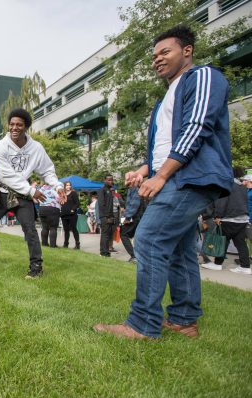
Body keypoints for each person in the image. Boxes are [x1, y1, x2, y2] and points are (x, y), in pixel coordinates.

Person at [94, 25, 233, 339]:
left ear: (187, 51)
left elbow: (196, 129)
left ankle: (142, 324)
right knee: (181, 250)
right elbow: (167, 144)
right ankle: (184, 321)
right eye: (154, 55)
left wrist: (162, 175)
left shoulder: (202, 77)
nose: (157, 59)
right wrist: (145, 170)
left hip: (190, 178)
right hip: (177, 175)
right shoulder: (166, 99)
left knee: (149, 239)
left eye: (165, 52)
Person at [0, 108, 66, 279]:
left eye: (19, 125)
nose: (14, 128)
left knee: (30, 229)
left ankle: (36, 267)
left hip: (22, 195)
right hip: (2, 192)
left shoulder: (36, 148)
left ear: (26, 127)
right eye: (11, 124)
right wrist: (32, 190)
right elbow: (7, 176)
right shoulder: (0, 147)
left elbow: (47, 170)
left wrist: (57, 185)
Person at [200, 168, 250, 274]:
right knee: (241, 243)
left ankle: (218, 264)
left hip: (229, 218)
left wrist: (218, 216)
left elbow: (222, 202)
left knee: (223, 241)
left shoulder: (227, 186)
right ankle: (245, 266)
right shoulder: (243, 187)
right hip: (243, 218)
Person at [120, 186, 146, 263]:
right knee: (137, 237)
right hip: (139, 217)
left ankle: (134, 256)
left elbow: (134, 204)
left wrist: (127, 217)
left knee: (124, 235)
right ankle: (140, 256)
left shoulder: (135, 190)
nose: (126, 180)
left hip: (134, 217)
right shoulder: (138, 189)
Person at [38, 183, 62, 247]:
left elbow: (36, 200)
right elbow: (59, 198)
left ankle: (44, 243)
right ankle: (53, 245)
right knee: (53, 228)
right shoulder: (53, 189)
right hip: (53, 209)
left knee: (44, 227)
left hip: (42, 209)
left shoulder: (40, 190)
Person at [97, 175, 115, 257]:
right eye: (109, 180)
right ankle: (103, 252)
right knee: (105, 234)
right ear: (104, 180)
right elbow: (101, 204)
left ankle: (106, 250)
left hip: (110, 215)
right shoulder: (102, 190)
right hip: (105, 216)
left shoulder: (110, 191)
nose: (111, 181)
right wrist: (106, 216)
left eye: (112, 180)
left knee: (109, 234)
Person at [60, 181, 80, 249]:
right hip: (64, 214)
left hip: (72, 215)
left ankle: (77, 244)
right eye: (67, 185)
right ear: (64, 186)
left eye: (69, 185)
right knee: (66, 230)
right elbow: (61, 203)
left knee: (74, 229)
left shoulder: (73, 193)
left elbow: (77, 203)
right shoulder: (63, 194)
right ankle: (66, 244)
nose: (68, 186)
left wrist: (73, 209)